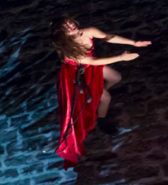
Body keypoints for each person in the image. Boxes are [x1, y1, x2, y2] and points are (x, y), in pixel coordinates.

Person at [50, 16, 151, 169]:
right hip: (78, 75)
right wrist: (120, 58)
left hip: (93, 65)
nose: (71, 25)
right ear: (61, 32)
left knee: (116, 77)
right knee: (107, 97)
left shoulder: (88, 31)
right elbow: (92, 62)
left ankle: (93, 96)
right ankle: (101, 118)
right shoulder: (68, 50)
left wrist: (133, 43)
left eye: (70, 22)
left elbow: (108, 37)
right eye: (66, 26)